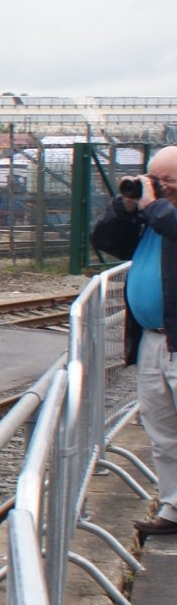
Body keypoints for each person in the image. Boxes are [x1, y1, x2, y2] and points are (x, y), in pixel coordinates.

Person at [93, 146, 177, 538]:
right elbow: (105, 239)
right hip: (152, 339)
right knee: (161, 433)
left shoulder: (163, 215)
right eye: (153, 179)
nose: (158, 187)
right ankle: (173, 508)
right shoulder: (153, 215)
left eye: (167, 180)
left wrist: (154, 206)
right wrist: (125, 207)